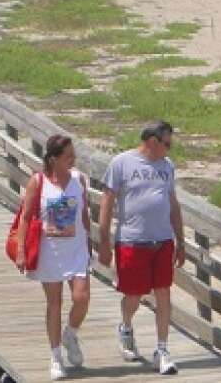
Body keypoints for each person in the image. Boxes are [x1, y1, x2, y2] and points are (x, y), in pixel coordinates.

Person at [98, 120, 185, 375]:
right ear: (152, 141)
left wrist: (181, 240)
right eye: (166, 144)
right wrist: (103, 240)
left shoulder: (167, 167)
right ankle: (126, 326)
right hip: (132, 240)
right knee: (134, 296)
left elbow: (173, 203)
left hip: (163, 240)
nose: (169, 150)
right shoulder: (122, 163)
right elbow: (106, 201)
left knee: (163, 293)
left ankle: (162, 349)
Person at [15, 135, 92, 380]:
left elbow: (84, 213)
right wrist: (20, 251)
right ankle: (56, 356)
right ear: (54, 159)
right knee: (54, 303)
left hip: (76, 247)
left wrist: (90, 242)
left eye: (73, 155)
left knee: (81, 297)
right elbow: (26, 217)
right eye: (68, 156)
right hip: (50, 249)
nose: (73, 159)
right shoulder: (38, 182)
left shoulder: (79, 179)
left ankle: (71, 334)